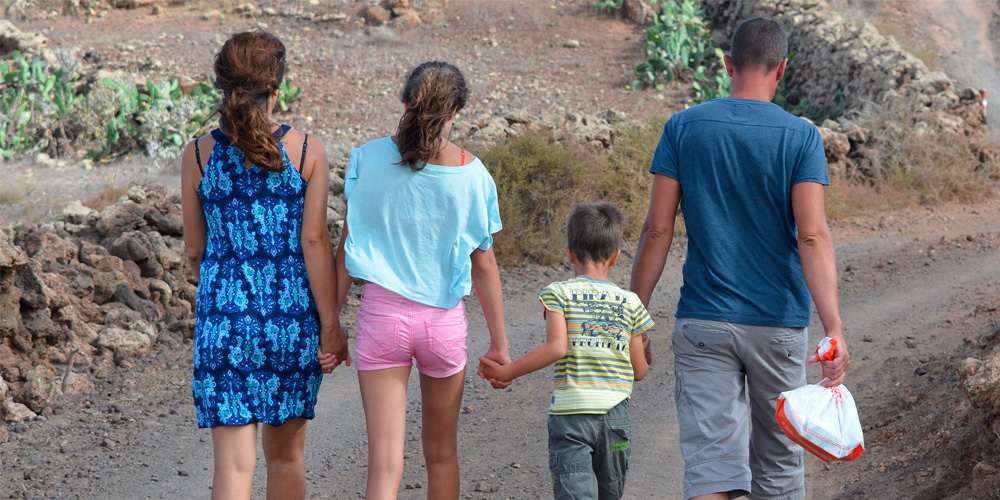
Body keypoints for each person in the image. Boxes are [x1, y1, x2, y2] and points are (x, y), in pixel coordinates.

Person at [629, 18, 851, 500]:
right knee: (778, 468)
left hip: (704, 321)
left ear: (728, 64)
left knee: (711, 468)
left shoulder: (683, 127)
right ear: (782, 69)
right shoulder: (801, 137)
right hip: (779, 325)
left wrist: (635, 314)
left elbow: (657, 229)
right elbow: (812, 235)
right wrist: (833, 327)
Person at [180, 30, 349, 500]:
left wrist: (223, 297)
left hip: (223, 323)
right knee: (286, 459)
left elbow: (195, 252)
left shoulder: (198, 154)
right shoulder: (306, 150)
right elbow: (314, 241)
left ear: (222, 85)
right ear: (276, 89)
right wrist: (331, 326)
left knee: (233, 468)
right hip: (290, 323)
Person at [334, 60, 511, 500]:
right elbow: (484, 265)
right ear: (455, 112)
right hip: (442, 325)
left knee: (384, 465)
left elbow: (346, 253)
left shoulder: (366, 159)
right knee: (441, 455)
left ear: (405, 102)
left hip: (381, 319)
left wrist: (331, 323)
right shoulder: (473, 173)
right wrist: (499, 344)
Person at [480, 202, 653, 500]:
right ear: (616, 256)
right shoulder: (631, 302)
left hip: (571, 417)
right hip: (616, 420)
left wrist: (508, 371)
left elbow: (557, 347)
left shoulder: (558, 293)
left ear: (570, 253)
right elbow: (639, 372)